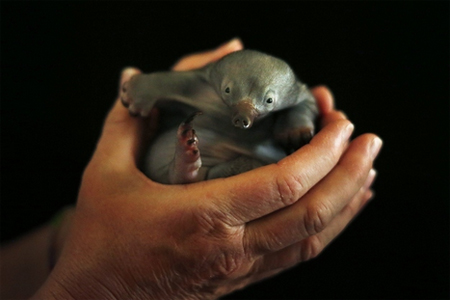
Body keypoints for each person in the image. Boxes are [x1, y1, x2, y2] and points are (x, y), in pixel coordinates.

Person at [1, 38, 382, 299]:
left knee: (247, 167)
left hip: (244, 167)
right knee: (170, 154)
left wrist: (73, 239)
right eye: (233, 95)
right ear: (220, 78)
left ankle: (191, 172)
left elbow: (303, 105)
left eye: (265, 102)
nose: (245, 113)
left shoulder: (294, 95)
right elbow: (161, 85)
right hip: (186, 149)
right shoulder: (205, 79)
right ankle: (185, 170)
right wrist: (104, 286)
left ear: (281, 95)